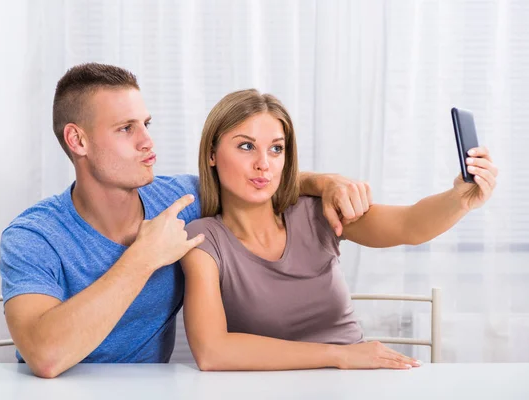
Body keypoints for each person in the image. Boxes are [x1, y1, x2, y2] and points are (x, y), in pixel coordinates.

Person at [0, 63, 372, 378]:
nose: (148, 142)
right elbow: (44, 355)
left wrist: (325, 182)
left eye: (146, 123)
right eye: (126, 128)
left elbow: (255, 179)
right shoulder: (33, 235)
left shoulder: (183, 201)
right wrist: (143, 258)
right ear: (77, 141)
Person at [182, 89, 498, 371]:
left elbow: (409, 225)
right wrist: (340, 355)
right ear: (212, 153)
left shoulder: (316, 211)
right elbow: (213, 352)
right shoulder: (203, 240)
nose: (264, 164)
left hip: (355, 383)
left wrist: (459, 199)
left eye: (276, 149)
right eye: (246, 146)